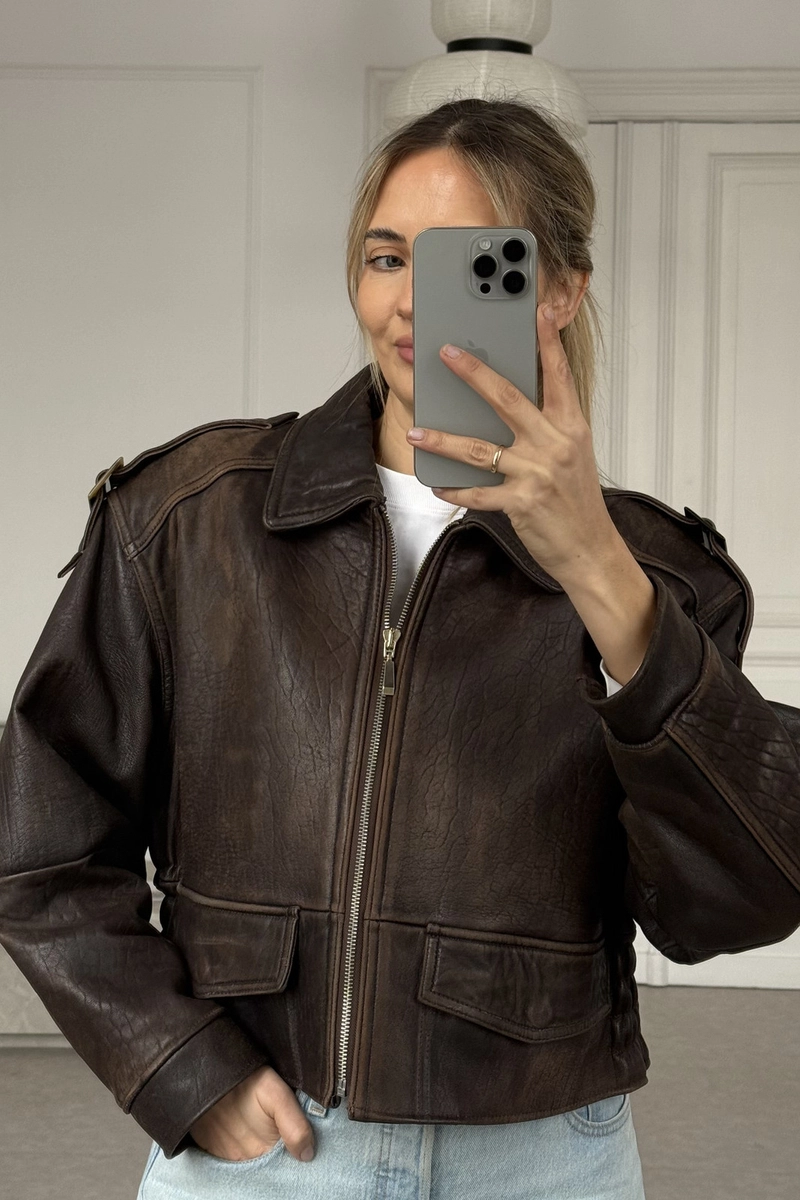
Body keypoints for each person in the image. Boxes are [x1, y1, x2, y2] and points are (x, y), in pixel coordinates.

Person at [1, 96, 799, 1200]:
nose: (413, 301)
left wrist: (600, 575)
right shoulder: (188, 518)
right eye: (387, 258)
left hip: (542, 1158)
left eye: (466, 262)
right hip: (266, 1155)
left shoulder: (666, 577)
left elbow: (744, 901)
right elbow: (39, 842)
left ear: (558, 290)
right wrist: (176, 1062)